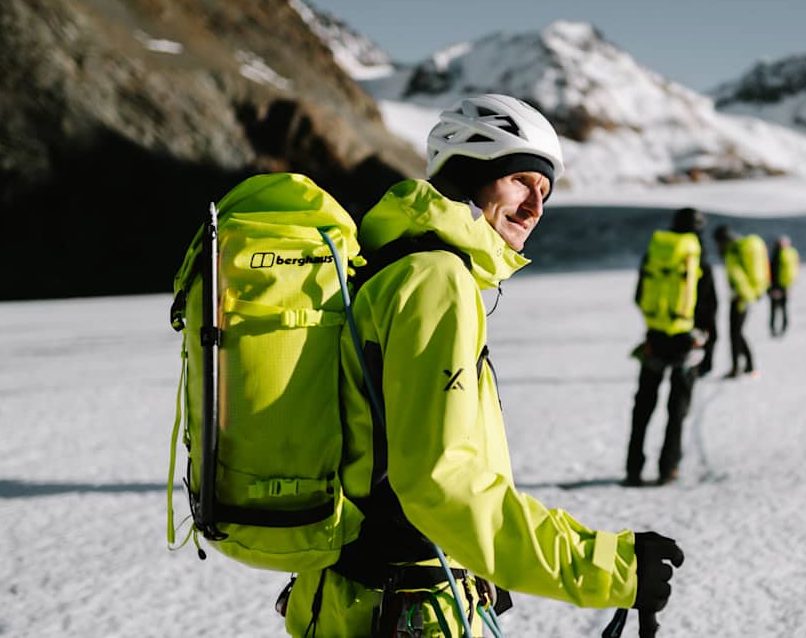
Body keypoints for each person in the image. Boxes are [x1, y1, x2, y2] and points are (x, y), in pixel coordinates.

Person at [281, 94, 684, 637]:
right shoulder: (435, 281)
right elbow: (440, 484)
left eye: (544, 192)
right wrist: (608, 567)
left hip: (358, 598)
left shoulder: (397, 266)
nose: (534, 207)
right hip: (402, 608)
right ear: (468, 175)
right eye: (520, 181)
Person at [623, 207, 718, 488]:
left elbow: (640, 296)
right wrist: (707, 348)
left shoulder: (654, 254)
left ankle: (633, 468)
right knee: (676, 410)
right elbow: (709, 308)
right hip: (686, 343)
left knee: (643, 408)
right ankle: (669, 468)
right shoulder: (699, 262)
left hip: (654, 339)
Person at [712, 225, 764, 379]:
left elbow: (738, 275)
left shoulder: (733, 251)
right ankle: (747, 365)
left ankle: (738, 367)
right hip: (744, 296)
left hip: (740, 297)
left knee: (735, 333)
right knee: (738, 332)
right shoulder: (738, 249)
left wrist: (743, 294)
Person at [768, 234, 801, 337]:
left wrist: (773, 287)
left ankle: (777, 329)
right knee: (782, 309)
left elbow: (774, 271)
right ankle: (781, 328)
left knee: (776, 309)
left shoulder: (778, 254)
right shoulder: (792, 253)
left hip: (779, 286)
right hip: (785, 285)